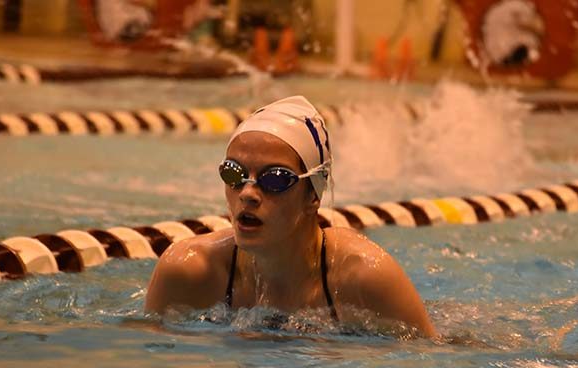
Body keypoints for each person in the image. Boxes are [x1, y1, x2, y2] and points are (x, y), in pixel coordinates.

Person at [145, 95, 437, 338]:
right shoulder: (187, 271)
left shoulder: (364, 277)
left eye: (274, 179)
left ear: (313, 196)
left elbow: (427, 362)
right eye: (233, 173)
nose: (247, 193)